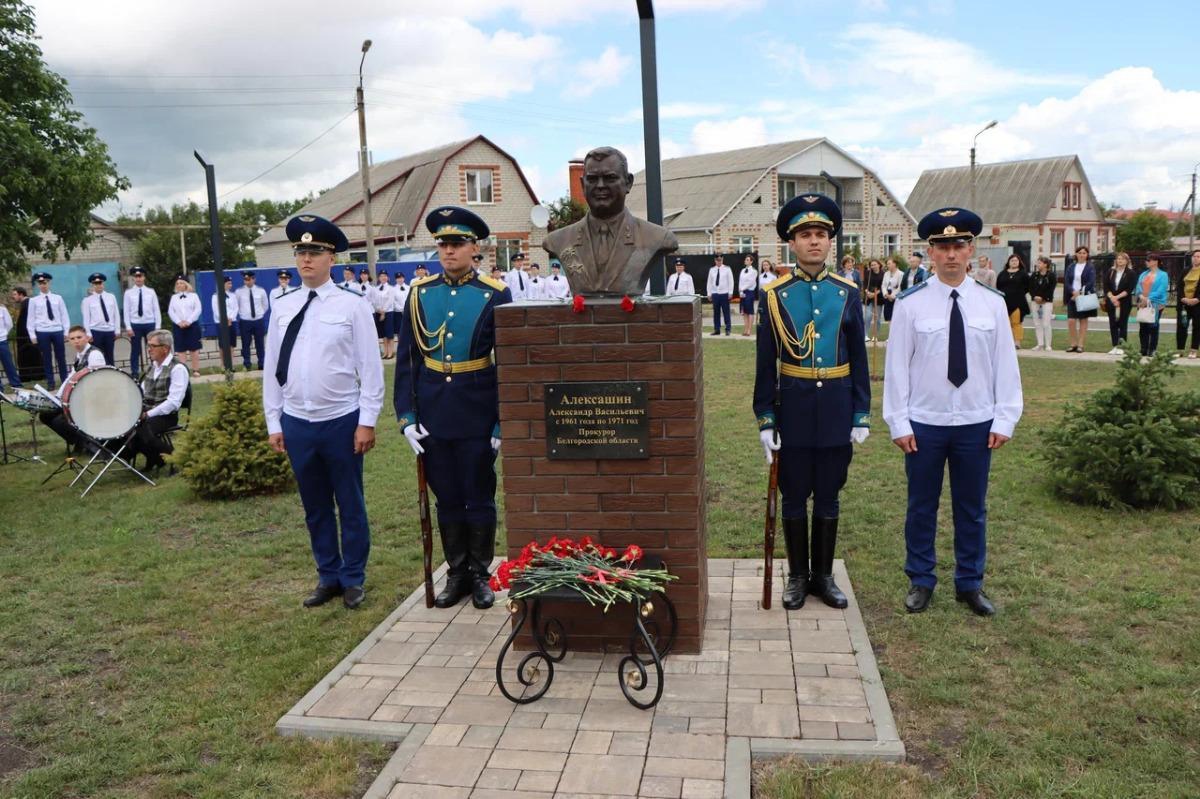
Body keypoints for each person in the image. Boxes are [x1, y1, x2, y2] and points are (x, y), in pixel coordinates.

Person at [883, 207, 1023, 617]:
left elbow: (1005, 366)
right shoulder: (911, 305)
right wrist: (899, 421)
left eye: (958, 245)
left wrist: (1004, 417)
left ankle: (969, 583)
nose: (950, 254)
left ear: (971, 250)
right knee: (921, 506)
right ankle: (921, 579)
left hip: (976, 424)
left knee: (971, 508)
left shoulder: (991, 303)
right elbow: (896, 369)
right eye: (942, 246)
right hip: (925, 423)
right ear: (930, 252)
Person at [755, 194, 870, 610]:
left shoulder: (847, 292)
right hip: (795, 410)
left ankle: (823, 576)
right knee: (793, 495)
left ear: (831, 241)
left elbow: (859, 357)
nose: (815, 242)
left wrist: (860, 412)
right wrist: (766, 419)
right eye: (806, 235)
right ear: (792, 242)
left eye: (821, 234)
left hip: (837, 408)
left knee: (828, 494)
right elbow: (765, 366)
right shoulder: (774, 295)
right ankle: (797, 577)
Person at [263, 215, 384, 610]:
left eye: (314, 252)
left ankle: (353, 577)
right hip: (298, 422)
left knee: (350, 504)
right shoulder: (282, 306)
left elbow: (370, 368)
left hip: (341, 420)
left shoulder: (352, 305)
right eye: (300, 251)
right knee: (315, 507)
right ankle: (327, 575)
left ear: (332, 257)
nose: (306, 259)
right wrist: (273, 421)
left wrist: (367, 420)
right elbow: (272, 368)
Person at [395, 205, 512, 610]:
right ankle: (457, 571)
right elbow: (408, 360)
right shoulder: (419, 294)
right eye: (443, 244)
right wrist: (407, 417)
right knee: (446, 496)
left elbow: (508, 363)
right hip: (434, 413)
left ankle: (481, 573)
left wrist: (501, 421)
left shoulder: (495, 294)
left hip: (476, 409)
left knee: (478, 494)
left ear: (473, 247)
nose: (448, 251)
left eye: (457, 243)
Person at [130, 329, 191, 473]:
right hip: (148, 411)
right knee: (126, 428)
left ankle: (175, 457)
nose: (148, 349)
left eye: (152, 346)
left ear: (165, 348)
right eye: (148, 345)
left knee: (141, 429)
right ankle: (155, 459)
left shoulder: (178, 369)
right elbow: (141, 392)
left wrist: (148, 414)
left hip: (166, 416)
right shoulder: (152, 367)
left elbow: (173, 403)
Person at [38, 325, 106, 453]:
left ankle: (88, 444)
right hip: (79, 398)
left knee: (60, 421)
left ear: (87, 338)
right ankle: (77, 441)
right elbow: (71, 377)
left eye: (79, 337)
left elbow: (97, 381)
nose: (76, 341)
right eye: (72, 338)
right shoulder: (79, 355)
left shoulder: (94, 354)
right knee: (45, 414)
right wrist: (58, 397)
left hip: (94, 400)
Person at [26, 272, 70, 389]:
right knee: (46, 358)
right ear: (38, 285)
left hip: (57, 330)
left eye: (44, 283)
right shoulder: (34, 300)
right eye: (40, 283)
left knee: (60, 357)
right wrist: (32, 335)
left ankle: (65, 381)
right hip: (42, 331)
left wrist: (65, 332)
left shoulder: (58, 298)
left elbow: (64, 315)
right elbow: (30, 319)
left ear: (49, 283)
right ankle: (51, 382)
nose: (43, 285)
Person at [123, 267, 161, 380]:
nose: (138, 279)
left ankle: (155, 368)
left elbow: (156, 309)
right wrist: (128, 327)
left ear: (144, 278)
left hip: (149, 323)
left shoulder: (151, 292)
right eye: (136, 277)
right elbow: (126, 311)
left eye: (140, 276)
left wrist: (157, 326)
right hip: (135, 324)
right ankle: (135, 371)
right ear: (133, 278)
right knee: (135, 350)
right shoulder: (128, 293)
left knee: (153, 348)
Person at [1134, 253, 1170, 357]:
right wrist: (1142, 297)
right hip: (1142, 303)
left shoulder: (1163, 275)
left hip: (1156, 303)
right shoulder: (1143, 274)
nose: (1146, 262)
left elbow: (1161, 290)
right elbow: (1138, 287)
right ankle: (1143, 349)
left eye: (1148, 260)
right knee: (1143, 325)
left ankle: (1152, 349)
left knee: (1153, 326)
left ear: (1155, 262)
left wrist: (1148, 298)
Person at [81, 272, 119, 365]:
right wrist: (88, 333)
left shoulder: (111, 297)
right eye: (96, 284)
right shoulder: (87, 300)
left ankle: (111, 374)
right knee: (97, 356)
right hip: (96, 331)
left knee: (110, 355)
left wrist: (117, 330)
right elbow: (86, 318)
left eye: (100, 283)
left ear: (103, 283)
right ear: (92, 285)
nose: (98, 286)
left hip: (109, 330)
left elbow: (116, 314)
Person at [167, 275, 203, 376]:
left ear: (186, 284)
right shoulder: (174, 298)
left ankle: (196, 370)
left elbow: (198, 309)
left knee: (194, 348)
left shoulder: (194, 296)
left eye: (181, 283)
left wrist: (189, 321)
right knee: (181, 349)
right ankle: (184, 371)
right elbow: (171, 311)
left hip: (192, 325)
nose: (179, 285)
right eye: (177, 283)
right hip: (178, 326)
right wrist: (179, 322)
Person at [1063, 246, 1097, 353]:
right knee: (1071, 321)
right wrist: (1073, 292)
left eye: (1084, 253)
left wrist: (1080, 292)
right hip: (1072, 297)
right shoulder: (1071, 267)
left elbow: (1091, 282)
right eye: (1080, 253)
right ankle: (1073, 344)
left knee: (1083, 320)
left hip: (1084, 296)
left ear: (1087, 255)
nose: (1082, 255)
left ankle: (1080, 345)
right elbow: (1067, 281)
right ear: (1076, 254)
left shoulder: (1090, 267)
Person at [236, 270, 269, 371]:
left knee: (260, 343)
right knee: (246, 343)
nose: (247, 282)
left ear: (254, 279)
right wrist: (243, 314)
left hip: (258, 320)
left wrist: (260, 313)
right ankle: (247, 363)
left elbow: (265, 305)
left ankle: (261, 363)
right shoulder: (239, 291)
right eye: (245, 280)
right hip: (245, 321)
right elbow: (236, 305)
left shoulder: (261, 291)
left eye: (249, 279)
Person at [995, 254, 1031, 348]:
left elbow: (1028, 287)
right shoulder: (1002, 273)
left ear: (1019, 262)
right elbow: (998, 286)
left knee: (1016, 322)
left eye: (1016, 260)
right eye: (1012, 260)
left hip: (1018, 302)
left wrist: (1018, 293)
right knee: (1006, 323)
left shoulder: (1023, 273)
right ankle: (1008, 342)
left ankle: (1017, 343)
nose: (1014, 262)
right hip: (1004, 302)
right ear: (1008, 262)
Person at [1103, 252, 1135, 354]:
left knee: (1122, 324)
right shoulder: (1111, 271)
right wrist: (1112, 298)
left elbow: (1129, 289)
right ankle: (1115, 346)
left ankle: (1122, 346)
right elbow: (1106, 286)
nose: (1120, 260)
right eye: (1118, 259)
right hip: (1111, 301)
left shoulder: (1130, 273)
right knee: (1113, 324)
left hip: (1124, 302)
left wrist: (1117, 297)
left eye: (1122, 259)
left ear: (1127, 261)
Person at [1175, 249, 1200, 359]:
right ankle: (1180, 350)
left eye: (1199, 257)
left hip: (1198, 304)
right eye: (1194, 256)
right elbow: (1179, 286)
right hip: (1184, 304)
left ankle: (1193, 350)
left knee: (1197, 327)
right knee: (1181, 326)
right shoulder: (1185, 270)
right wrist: (1183, 298)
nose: (1196, 258)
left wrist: (1197, 299)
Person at [1029, 256, 1057, 351]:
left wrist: (1043, 297)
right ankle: (1040, 344)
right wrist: (1034, 296)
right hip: (1035, 301)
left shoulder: (1051, 275)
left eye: (1040, 263)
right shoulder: (1034, 275)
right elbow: (1030, 287)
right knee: (1037, 323)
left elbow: (1051, 289)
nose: (1038, 265)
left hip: (1046, 302)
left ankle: (1048, 345)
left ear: (1045, 264)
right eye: (1037, 263)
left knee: (1046, 323)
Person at [212, 275, 240, 364]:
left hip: (232, 321)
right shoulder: (215, 296)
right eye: (228, 283)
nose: (230, 285)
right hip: (220, 322)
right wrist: (224, 319)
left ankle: (231, 363)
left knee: (231, 343)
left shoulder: (233, 295)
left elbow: (236, 308)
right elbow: (216, 310)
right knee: (222, 344)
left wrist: (230, 318)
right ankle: (223, 364)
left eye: (231, 283)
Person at [706, 254, 734, 336]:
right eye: (717, 260)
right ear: (715, 260)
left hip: (724, 293)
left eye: (720, 260)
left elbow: (731, 281)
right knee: (716, 313)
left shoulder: (727, 269)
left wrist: (730, 292)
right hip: (715, 294)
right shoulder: (712, 270)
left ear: (722, 260)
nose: (719, 262)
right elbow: (709, 282)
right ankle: (717, 329)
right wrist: (709, 293)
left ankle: (728, 329)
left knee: (726, 312)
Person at [0, 296, 21, 389]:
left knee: (8, 363)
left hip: (2, 340)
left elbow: (9, 324)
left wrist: (4, 334)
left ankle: (16, 384)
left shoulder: (2, 309)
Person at [862, 259, 884, 342]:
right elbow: (864, 284)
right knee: (867, 316)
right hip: (868, 298)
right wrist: (867, 292)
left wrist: (875, 294)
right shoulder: (868, 273)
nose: (873, 266)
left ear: (879, 264)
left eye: (875, 264)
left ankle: (875, 336)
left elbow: (883, 286)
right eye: (872, 265)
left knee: (877, 318)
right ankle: (865, 335)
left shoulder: (883, 274)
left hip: (879, 298)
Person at [373, 270, 395, 360]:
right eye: (381, 276)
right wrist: (379, 310)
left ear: (387, 278)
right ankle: (385, 352)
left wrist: (384, 311)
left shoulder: (391, 288)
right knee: (383, 334)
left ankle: (391, 352)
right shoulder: (376, 288)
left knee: (389, 333)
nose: (383, 278)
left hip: (388, 312)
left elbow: (390, 301)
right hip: (379, 312)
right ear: (379, 278)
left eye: (385, 276)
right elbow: (374, 300)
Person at [738, 255, 759, 336]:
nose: (745, 261)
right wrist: (740, 291)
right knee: (744, 311)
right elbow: (740, 281)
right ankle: (745, 329)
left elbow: (751, 282)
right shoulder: (742, 270)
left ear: (751, 261)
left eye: (747, 260)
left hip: (749, 292)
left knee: (750, 311)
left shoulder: (754, 271)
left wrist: (742, 288)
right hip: (742, 292)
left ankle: (749, 330)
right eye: (745, 259)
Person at [881, 257, 903, 327]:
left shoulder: (901, 274)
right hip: (887, 296)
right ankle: (890, 336)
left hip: (896, 297)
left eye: (889, 264)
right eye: (887, 264)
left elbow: (900, 287)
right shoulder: (886, 274)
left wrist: (892, 296)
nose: (887, 265)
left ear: (895, 264)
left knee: (896, 317)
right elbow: (883, 285)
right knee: (889, 317)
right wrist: (886, 294)